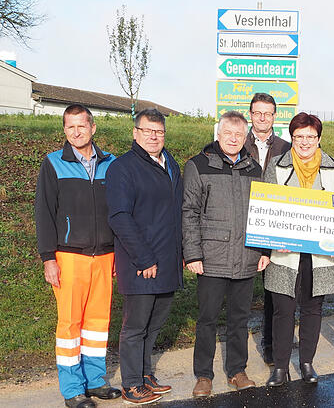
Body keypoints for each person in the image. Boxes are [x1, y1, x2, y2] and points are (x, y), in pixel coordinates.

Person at [34, 105, 121, 408]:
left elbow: (119, 212)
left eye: (81, 126)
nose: (75, 132)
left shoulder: (111, 164)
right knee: (70, 324)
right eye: (69, 127)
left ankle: (95, 381)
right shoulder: (54, 163)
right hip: (69, 257)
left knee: (98, 322)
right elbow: (44, 213)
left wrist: (119, 254)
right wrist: (48, 258)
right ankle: (73, 389)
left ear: (92, 127)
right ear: (64, 130)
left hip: (105, 255)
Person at [182, 111, 269, 397]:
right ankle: (203, 375)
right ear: (218, 134)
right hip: (211, 257)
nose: (233, 139)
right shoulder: (198, 165)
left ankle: (236, 370)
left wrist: (264, 250)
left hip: (246, 257)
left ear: (246, 138)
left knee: (239, 319)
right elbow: (189, 212)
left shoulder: (255, 169)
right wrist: (192, 254)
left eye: (239, 135)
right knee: (207, 319)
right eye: (228, 133)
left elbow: (264, 213)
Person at [262, 112, 334, 387]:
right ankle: (280, 367)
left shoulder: (333, 168)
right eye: (299, 136)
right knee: (282, 310)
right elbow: (265, 206)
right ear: (292, 137)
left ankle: (307, 362)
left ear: (319, 138)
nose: (304, 142)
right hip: (284, 254)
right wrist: (272, 240)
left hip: (320, 254)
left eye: (310, 136)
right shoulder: (277, 166)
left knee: (313, 309)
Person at [106, 108, 183, 404]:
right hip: (142, 263)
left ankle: (145, 373)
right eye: (147, 130)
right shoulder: (123, 168)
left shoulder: (170, 163)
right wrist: (144, 259)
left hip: (168, 260)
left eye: (159, 131)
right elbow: (120, 217)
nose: (154, 136)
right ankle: (132, 383)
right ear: (135, 133)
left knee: (154, 324)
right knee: (135, 327)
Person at [242, 93, 290, 366]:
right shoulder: (237, 142)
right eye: (258, 113)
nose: (262, 118)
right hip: (243, 225)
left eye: (268, 113)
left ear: (274, 116)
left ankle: (271, 345)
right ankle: (238, 353)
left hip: (276, 226)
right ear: (250, 114)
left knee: (276, 293)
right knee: (243, 290)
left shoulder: (286, 147)